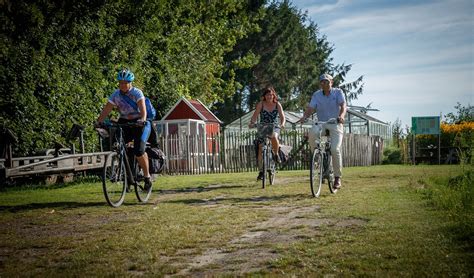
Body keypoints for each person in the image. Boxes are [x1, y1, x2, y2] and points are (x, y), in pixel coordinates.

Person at [96, 69, 153, 190]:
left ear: (130, 82)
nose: (122, 85)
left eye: (125, 82)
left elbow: (143, 111)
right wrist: (99, 121)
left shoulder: (137, 93)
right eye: (120, 82)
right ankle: (128, 174)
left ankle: (147, 177)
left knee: (139, 151)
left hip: (139, 123)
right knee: (118, 145)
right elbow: (107, 109)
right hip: (125, 122)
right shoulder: (115, 94)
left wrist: (142, 119)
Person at [297, 73, 346, 189]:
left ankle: (338, 177)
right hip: (322, 123)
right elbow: (310, 108)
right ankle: (317, 155)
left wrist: (342, 116)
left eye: (327, 81)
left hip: (335, 124)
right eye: (322, 82)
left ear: (331, 82)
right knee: (313, 132)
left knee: (334, 149)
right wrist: (304, 116)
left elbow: (343, 105)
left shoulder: (338, 93)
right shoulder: (317, 95)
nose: (324, 84)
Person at [249, 86, 286, 180]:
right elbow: (255, 115)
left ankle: (276, 154)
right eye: (267, 94)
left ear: (273, 95)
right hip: (263, 127)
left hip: (275, 126)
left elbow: (282, 117)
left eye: (271, 94)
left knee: (274, 136)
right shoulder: (261, 104)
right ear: (264, 96)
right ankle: (261, 171)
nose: (269, 96)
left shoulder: (277, 104)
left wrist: (282, 124)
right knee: (261, 148)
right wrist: (252, 123)